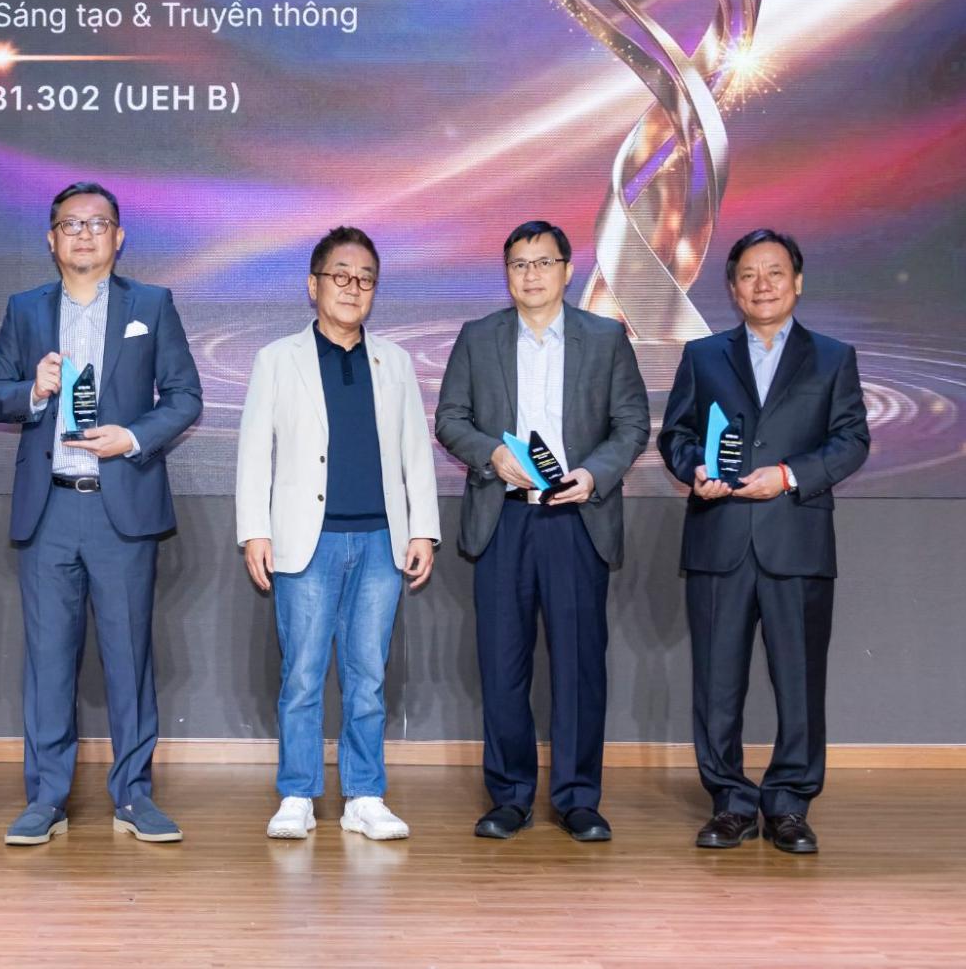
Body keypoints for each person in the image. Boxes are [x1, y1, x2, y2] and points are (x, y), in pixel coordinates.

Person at [0, 182, 203, 845]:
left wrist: (131, 436)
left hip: (119, 507)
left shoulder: (151, 304)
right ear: (50, 239)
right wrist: (33, 390)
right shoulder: (25, 309)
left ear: (118, 236)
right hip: (48, 507)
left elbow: (185, 395)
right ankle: (45, 798)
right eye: (70, 224)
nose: (84, 234)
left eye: (97, 223)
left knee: (128, 658)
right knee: (48, 661)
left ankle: (133, 795)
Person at [434, 220, 649, 843]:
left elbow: (632, 425)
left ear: (567, 270)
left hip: (576, 518)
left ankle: (578, 799)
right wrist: (490, 455)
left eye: (543, 262)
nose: (531, 275)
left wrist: (594, 473)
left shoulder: (605, 338)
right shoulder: (478, 337)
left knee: (579, 665)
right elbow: (451, 418)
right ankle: (510, 796)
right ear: (507, 274)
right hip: (504, 516)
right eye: (519, 264)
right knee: (503, 665)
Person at [658, 228, 870, 855]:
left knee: (799, 683)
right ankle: (729, 801)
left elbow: (852, 441)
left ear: (797, 282)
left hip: (796, 539)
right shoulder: (703, 355)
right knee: (716, 684)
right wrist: (694, 468)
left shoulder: (833, 357)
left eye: (774, 272)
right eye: (749, 274)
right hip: (718, 538)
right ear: (732, 288)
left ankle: (789, 805)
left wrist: (787, 475)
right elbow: (676, 435)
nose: (762, 285)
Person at [235, 227, 440, 841]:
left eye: (365, 279)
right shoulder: (277, 359)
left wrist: (423, 531)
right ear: (313, 284)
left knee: (367, 677)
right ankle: (297, 794)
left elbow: (415, 451)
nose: (353, 288)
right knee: (301, 675)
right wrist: (254, 531)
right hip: (306, 541)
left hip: (381, 541)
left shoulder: (395, 361)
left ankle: (364, 795)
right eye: (341, 276)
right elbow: (255, 452)